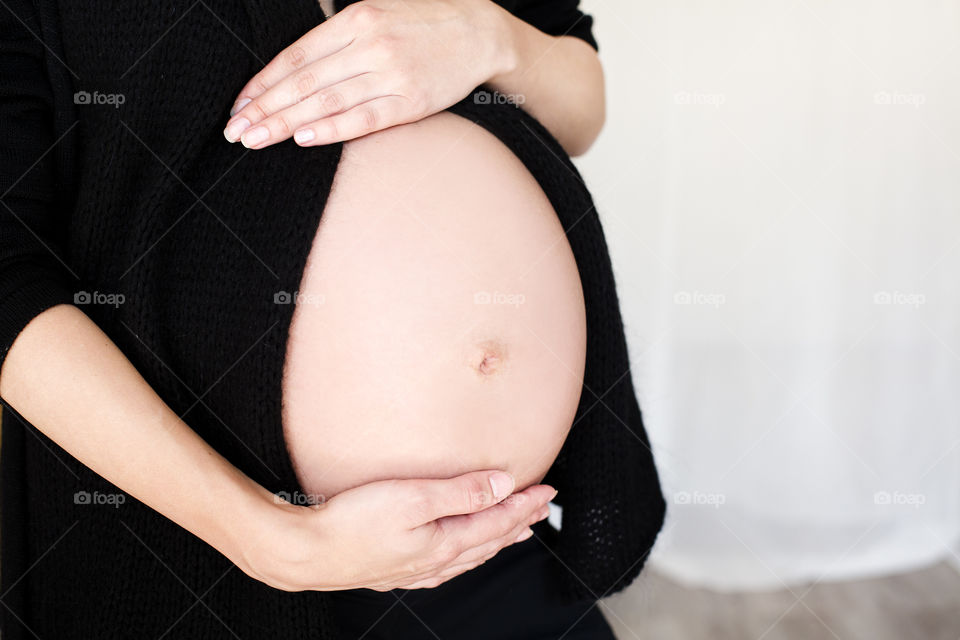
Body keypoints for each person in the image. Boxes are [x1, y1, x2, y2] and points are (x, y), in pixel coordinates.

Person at [0, 0, 665, 637]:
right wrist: (271, 539)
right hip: (193, 536)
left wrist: (488, 36)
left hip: (485, 541)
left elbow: (581, 109)